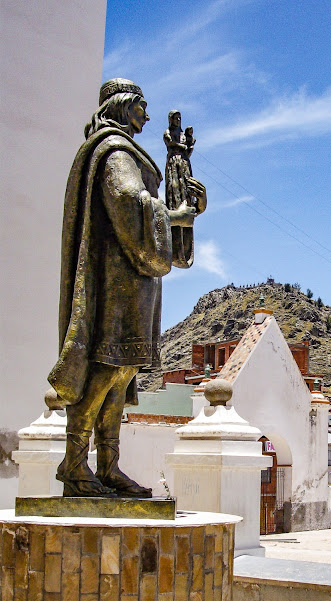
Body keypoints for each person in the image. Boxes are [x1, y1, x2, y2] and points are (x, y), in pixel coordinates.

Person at [48, 78, 206, 497]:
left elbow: (144, 203)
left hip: (137, 277)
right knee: (108, 366)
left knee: (125, 369)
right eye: (141, 107)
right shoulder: (115, 152)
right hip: (118, 274)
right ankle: (75, 462)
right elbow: (127, 201)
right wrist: (171, 216)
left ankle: (109, 466)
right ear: (122, 106)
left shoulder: (128, 151)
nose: (147, 117)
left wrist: (182, 199)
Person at [164, 110, 196, 210]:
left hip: (184, 162)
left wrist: (190, 146)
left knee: (186, 185)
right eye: (175, 118)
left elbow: (187, 153)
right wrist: (182, 146)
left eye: (179, 118)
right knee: (174, 186)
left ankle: (188, 205)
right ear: (171, 119)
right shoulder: (168, 132)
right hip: (174, 161)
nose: (178, 120)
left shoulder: (183, 134)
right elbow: (170, 143)